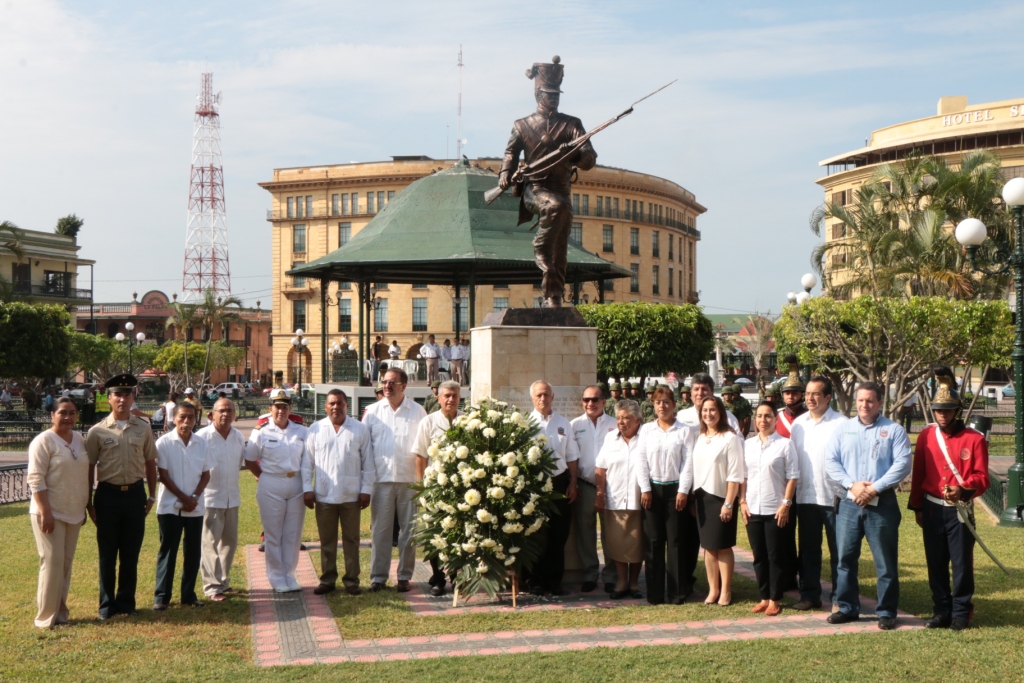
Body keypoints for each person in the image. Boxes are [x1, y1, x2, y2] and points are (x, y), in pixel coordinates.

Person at [497, 55, 597, 307]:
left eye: (556, 94)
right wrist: (505, 173)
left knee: (560, 250)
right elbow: (510, 153)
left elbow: (589, 158)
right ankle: (540, 246)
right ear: (538, 94)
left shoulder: (572, 125)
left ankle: (553, 296)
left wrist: (573, 155)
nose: (554, 98)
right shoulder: (522, 125)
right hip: (535, 189)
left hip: (562, 190)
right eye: (549, 94)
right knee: (555, 208)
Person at [824, 382, 912, 630]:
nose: (864, 405)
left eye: (870, 400)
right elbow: (831, 460)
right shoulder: (844, 429)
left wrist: (874, 488)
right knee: (845, 559)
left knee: (885, 562)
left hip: (882, 503)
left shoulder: (893, 430)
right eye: (861, 400)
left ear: (880, 402)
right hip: (849, 502)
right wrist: (852, 485)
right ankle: (846, 607)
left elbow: (903, 464)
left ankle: (886, 611)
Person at [909, 367, 989, 631]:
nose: (942, 414)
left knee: (961, 563)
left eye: (947, 410)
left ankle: (961, 612)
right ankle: (941, 610)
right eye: (938, 410)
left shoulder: (975, 439)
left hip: (959, 510)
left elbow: (982, 477)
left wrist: (963, 489)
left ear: (957, 411)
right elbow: (919, 473)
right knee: (935, 562)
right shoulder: (926, 435)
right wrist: (917, 507)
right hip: (932, 508)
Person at [84, 373, 159, 620]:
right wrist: (89, 503)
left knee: (130, 553)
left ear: (133, 397)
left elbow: (150, 462)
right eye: (118, 395)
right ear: (109, 398)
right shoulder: (96, 431)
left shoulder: (143, 428)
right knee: (107, 554)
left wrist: (151, 496)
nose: (122, 400)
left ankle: (126, 603)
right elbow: (89, 467)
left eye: (127, 395)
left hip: (135, 495)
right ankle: (106, 605)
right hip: (107, 496)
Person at [304, 389, 374, 596]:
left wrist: (366, 490)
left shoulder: (359, 429)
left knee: (352, 540)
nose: (336, 407)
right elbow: (306, 463)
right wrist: (307, 489)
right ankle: (327, 579)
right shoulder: (315, 429)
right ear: (325, 407)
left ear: (347, 406)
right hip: (324, 494)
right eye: (332, 403)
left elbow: (369, 464)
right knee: (327, 540)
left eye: (340, 403)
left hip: (351, 495)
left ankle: (351, 580)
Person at [362, 367, 426, 592]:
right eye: (385, 382)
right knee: (380, 531)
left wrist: (421, 481)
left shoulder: (418, 411)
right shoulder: (372, 412)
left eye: (392, 383)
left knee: (409, 531)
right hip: (382, 480)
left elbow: (424, 447)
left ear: (404, 386)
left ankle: (404, 576)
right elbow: (365, 448)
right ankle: (378, 578)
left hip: (410, 481)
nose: (387, 386)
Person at [27, 398, 90, 628]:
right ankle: (45, 618)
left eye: (72, 413)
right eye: (62, 412)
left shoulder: (79, 439)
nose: (67, 417)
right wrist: (46, 512)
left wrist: (84, 506)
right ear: (52, 415)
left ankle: (61, 613)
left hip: (73, 511)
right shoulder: (43, 441)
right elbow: (35, 479)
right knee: (52, 563)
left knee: (65, 564)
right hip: (49, 512)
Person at [245, 388, 308, 593]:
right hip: (271, 483)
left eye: (284, 407)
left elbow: (307, 460)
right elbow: (250, 459)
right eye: (277, 407)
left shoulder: (301, 431)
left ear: (290, 408)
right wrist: (263, 476)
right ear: (270, 408)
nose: (281, 411)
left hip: (296, 483)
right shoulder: (261, 431)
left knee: (293, 534)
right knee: (273, 534)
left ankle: (289, 575)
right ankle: (276, 578)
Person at [790, 375, 845, 612]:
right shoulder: (798, 424)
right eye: (807, 393)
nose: (810, 398)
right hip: (805, 497)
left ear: (828, 397)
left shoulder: (842, 424)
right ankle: (810, 595)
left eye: (815, 394)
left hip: (835, 497)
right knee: (808, 551)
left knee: (839, 552)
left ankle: (839, 599)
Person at [635, 386, 693, 604]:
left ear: (674, 405)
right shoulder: (646, 430)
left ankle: (677, 593)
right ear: (653, 405)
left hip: (675, 491)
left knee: (676, 541)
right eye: (658, 402)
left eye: (667, 402)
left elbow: (688, 463)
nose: (663, 406)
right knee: (654, 541)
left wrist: (683, 491)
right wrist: (645, 488)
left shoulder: (684, 431)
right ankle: (655, 593)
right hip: (652, 490)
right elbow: (641, 461)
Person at [740, 402, 799, 616]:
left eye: (768, 416)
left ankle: (775, 598)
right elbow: (743, 477)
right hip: (752, 508)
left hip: (775, 509)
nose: (763, 420)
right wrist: (742, 502)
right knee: (759, 556)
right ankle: (764, 597)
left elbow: (792, 477)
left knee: (775, 556)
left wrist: (786, 504)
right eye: (759, 416)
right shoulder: (748, 444)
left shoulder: (785, 444)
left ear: (775, 419)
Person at [153, 401, 212, 609]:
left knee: (193, 551)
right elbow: (163, 476)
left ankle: (188, 595)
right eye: (182, 417)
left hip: (195, 506)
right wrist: (183, 498)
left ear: (196, 420)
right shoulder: (164, 443)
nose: (187, 421)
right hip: (169, 506)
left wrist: (194, 497)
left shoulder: (202, 443)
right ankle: (162, 597)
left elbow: (206, 474)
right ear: (174, 418)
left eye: (191, 417)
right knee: (168, 551)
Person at [689, 395, 744, 606]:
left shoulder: (730, 438)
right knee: (709, 546)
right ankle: (713, 590)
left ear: (721, 412)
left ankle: (726, 591)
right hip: (702, 498)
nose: (708, 414)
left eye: (712, 410)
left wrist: (729, 503)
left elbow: (735, 474)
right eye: (705, 410)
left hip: (721, 498)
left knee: (723, 546)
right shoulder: (700, 436)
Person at [528, 380, 580, 595]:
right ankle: (535, 581)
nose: (543, 398)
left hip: (560, 483)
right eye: (539, 395)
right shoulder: (526, 424)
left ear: (553, 397)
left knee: (559, 535)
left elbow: (572, 456)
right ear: (532, 398)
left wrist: (573, 483)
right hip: (535, 486)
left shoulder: (563, 423)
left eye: (546, 394)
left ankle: (554, 582)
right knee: (536, 534)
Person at [412, 380, 463, 596]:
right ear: (438, 398)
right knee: (435, 534)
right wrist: (421, 486)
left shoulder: (467, 421)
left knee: (459, 534)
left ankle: (458, 578)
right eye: (446, 396)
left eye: (454, 395)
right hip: (435, 487)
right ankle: (438, 579)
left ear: (459, 398)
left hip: (462, 489)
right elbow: (421, 455)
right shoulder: (429, 421)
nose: (450, 399)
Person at [595, 400, 647, 599]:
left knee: (637, 544)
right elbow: (601, 467)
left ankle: (634, 583)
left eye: (626, 418)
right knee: (617, 543)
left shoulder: (646, 438)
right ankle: (622, 581)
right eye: (618, 418)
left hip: (639, 499)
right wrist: (600, 493)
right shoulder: (610, 438)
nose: (621, 422)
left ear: (637, 420)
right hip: (615, 499)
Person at [569, 385, 618, 593]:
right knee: (585, 532)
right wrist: (573, 483)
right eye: (586, 400)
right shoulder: (574, 425)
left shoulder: (615, 424)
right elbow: (572, 456)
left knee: (610, 533)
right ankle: (590, 574)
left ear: (604, 402)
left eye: (595, 399)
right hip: (585, 486)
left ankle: (611, 576)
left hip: (611, 487)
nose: (591, 403)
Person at [197, 398, 246, 601]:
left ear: (235, 414)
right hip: (210, 498)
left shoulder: (238, 436)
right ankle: (212, 587)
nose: (226, 414)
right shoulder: (202, 438)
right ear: (212, 414)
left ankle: (223, 582)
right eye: (222, 410)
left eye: (230, 411)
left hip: (231, 497)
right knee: (210, 544)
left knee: (229, 543)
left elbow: (239, 463)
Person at [776, 355, 807, 438]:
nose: (790, 396)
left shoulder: (811, 416)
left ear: (802, 395)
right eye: (787, 393)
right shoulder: (775, 417)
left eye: (795, 393)